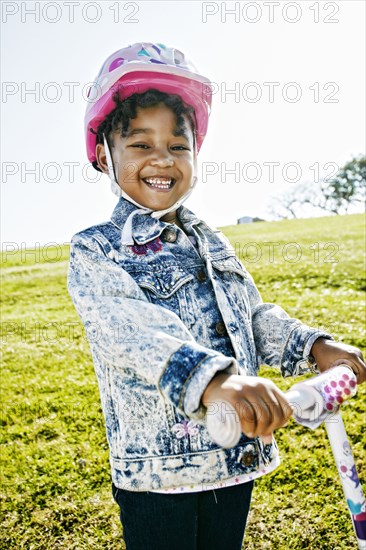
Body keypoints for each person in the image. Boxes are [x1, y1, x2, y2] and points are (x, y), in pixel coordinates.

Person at [67, 42, 366, 550]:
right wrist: (215, 381)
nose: (162, 158)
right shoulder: (97, 250)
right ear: (103, 155)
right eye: (140, 144)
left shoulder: (211, 242)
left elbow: (251, 316)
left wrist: (312, 345)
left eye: (178, 146)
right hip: (161, 475)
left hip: (235, 458)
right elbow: (135, 333)